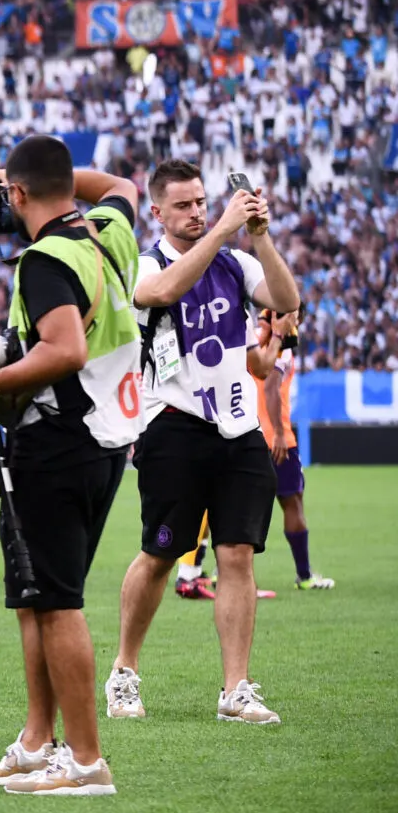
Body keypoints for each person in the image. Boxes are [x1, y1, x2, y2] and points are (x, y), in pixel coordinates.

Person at [0, 139, 144, 795]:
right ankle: (41, 740)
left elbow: (63, 347)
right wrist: (25, 177)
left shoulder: (43, 258)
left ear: (19, 195)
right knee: (35, 599)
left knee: (57, 603)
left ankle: (87, 761)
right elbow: (122, 185)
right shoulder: (107, 234)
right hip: (105, 439)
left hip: (58, 438)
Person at [104, 158, 300, 727]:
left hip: (238, 429)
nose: (197, 212)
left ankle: (236, 688)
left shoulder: (237, 262)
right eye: (184, 205)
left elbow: (286, 300)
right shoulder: (143, 261)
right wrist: (220, 231)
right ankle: (124, 672)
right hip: (173, 425)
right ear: (158, 211)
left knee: (237, 554)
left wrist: (259, 238)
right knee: (162, 553)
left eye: (202, 202)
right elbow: (161, 291)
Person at [254, 310, 334, 591]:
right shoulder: (282, 351)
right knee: (293, 502)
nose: (296, 322)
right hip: (276, 438)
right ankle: (305, 575)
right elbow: (271, 389)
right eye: (293, 316)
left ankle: (221, 573)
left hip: (247, 435)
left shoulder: (252, 342)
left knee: (242, 506)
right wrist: (277, 431)